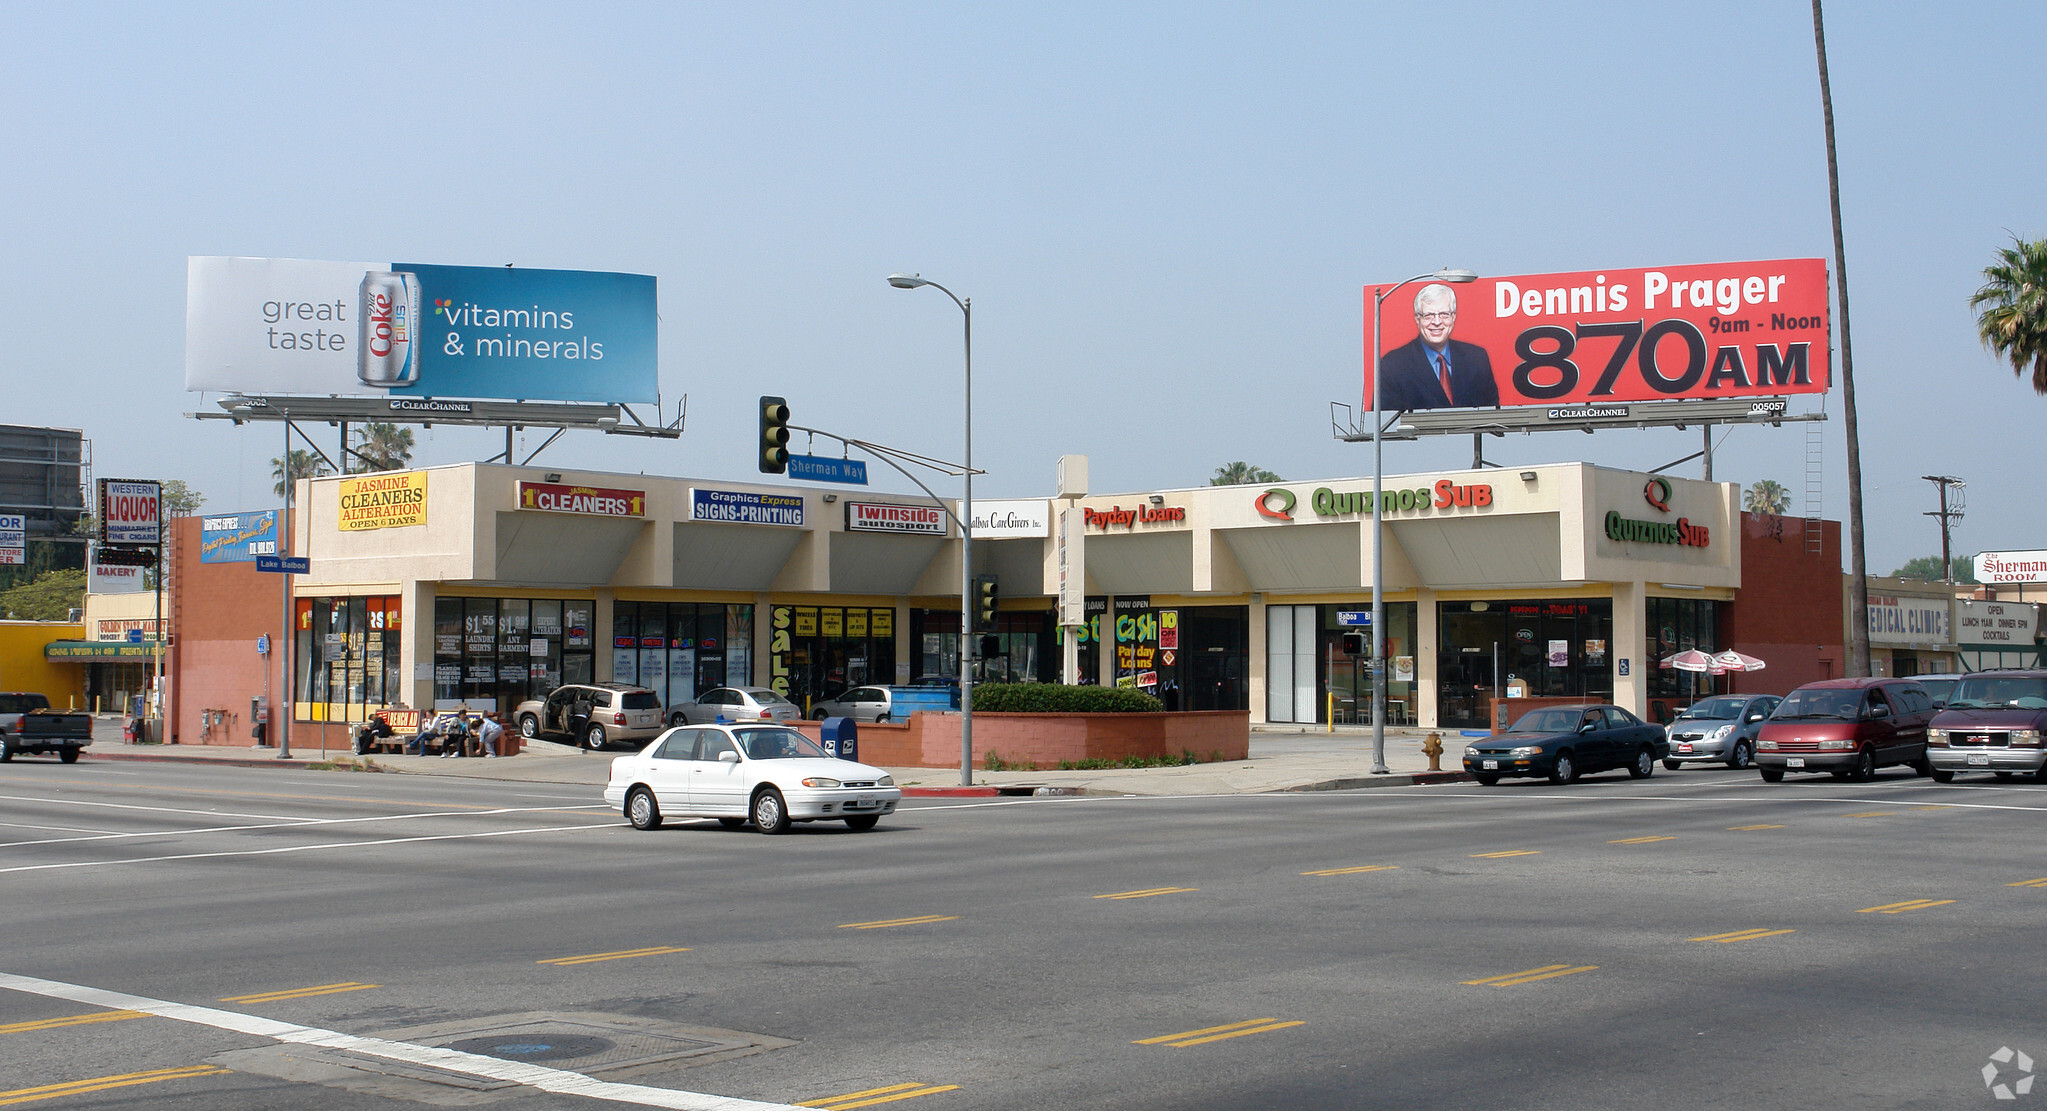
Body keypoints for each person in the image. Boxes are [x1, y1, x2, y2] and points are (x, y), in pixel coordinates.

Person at [1377, 284, 1500, 411]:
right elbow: (1383, 410)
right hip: (1415, 429)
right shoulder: (1393, 364)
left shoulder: (1477, 358)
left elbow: (1492, 407)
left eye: (1444, 314)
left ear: (1453, 317)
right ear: (1417, 319)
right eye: (1429, 315)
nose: (1436, 322)